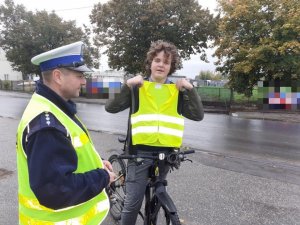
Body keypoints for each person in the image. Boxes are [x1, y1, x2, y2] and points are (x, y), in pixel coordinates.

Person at [105, 40, 204, 225]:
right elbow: (110, 107)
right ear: (150, 62)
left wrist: (190, 89)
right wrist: (128, 85)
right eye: (157, 60)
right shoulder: (137, 87)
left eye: (166, 62)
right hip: (138, 154)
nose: (161, 65)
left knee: (156, 198)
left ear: (171, 67)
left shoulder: (178, 91)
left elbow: (198, 115)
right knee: (133, 204)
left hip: (165, 155)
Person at [16, 41, 116, 225]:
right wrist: (102, 177)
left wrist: (96, 162)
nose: (84, 81)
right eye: (79, 75)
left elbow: (66, 152)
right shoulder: (47, 125)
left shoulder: (53, 108)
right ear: (58, 76)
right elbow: (55, 190)